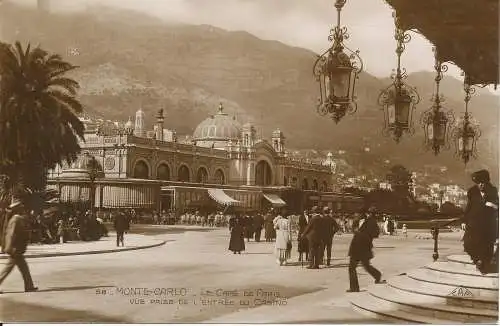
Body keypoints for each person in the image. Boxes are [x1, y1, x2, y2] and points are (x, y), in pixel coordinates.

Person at [463, 169, 499, 274]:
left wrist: (492, 205)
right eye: (479, 183)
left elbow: (497, 206)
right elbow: (468, 207)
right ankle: (477, 260)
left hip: (488, 224)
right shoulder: (472, 191)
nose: (481, 185)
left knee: (487, 246)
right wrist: (464, 221)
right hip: (474, 223)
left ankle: (483, 264)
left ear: (487, 182)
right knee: (468, 243)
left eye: (483, 182)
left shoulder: (493, 190)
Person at [0, 194, 38, 293]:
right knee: (8, 269)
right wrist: (10, 248)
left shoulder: (17, 218)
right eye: (21, 207)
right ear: (17, 209)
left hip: (17, 249)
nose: (23, 208)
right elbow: (11, 235)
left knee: (24, 269)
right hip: (15, 249)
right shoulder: (16, 219)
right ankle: (29, 286)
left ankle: (29, 286)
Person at [347, 206, 385, 292]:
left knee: (352, 267)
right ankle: (377, 275)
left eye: (357, 213)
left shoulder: (370, 221)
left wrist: (362, 234)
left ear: (362, 214)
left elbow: (375, 233)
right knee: (366, 266)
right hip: (360, 247)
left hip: (361, 247)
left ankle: (354, 288)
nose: (355, 215)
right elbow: (355, 230)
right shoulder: (361, 221)